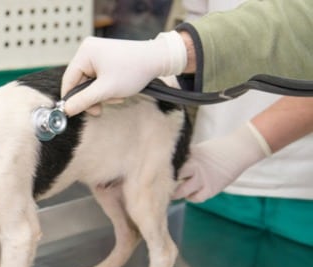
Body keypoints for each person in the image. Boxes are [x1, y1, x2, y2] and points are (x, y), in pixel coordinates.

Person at [61, 0, 313, 243]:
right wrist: (159, 86)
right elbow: (201, 17)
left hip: (301, 194)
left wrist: (248, 144)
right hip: (208, 179)